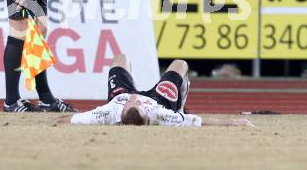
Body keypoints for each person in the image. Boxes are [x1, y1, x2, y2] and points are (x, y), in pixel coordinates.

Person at [57, 54, 255, 127]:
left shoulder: (107, 113)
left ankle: (127, 84)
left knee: (120, 59)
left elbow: (64, 121)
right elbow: (202, 122)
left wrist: (65, 120)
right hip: (159, 100)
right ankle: (180, 106)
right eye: (140, 104)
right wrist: (235, 122)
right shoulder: (161, 115)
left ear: (123, 110)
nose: (137, 99)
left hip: (120, 95)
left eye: (132, 103)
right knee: (180, 64)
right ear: (148, 114)